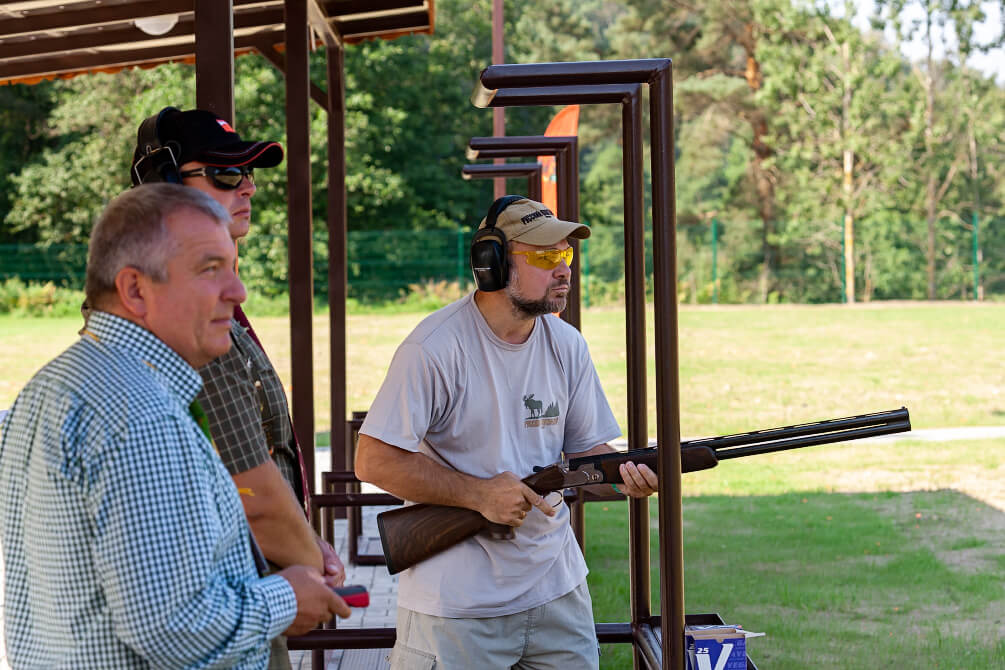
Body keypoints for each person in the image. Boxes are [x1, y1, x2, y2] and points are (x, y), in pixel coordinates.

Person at [0, 185, 349, 669]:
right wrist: (286, 599)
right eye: (210, 269)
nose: (238, 291)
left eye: (232, 266)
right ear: (135, 290)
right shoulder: (143, 415)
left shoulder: (56, 382)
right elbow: (172, 628)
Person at [355, 196, 659, 669]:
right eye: (544, 257)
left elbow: (588, 456)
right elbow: (374, 460)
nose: (563, 270)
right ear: (490, 263)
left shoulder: (566, 343)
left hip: (558, 589)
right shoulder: (434, 348)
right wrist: (479, 495)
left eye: (566, 255)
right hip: (458, 606)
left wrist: (627, 475)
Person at [125, 107, 344, 668]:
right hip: (224, 599)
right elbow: (251, 486)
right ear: (165, 185)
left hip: (240, 582)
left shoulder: (187, 295)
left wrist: (305, 547)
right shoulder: (187, 314)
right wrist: (312, 574)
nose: (247, 185)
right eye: (224, 174)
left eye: (248, 172)